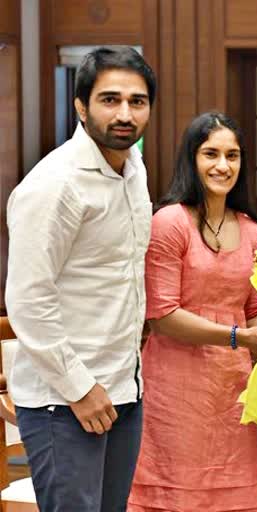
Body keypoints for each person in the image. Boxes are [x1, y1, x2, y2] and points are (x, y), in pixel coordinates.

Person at [5, 46, 155, 511]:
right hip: (65, 399)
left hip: (123, 386)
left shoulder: (133, 168)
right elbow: (29, 301)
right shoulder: (55, 184)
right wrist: (79, 389)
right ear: (80, 106)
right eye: (110, 100)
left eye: (137, 101)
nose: (125, 113)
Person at [127, 112, 257, 512]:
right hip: (175, 388)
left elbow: (256, 305)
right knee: (173, 497)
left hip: (232, 390)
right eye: (210, 154)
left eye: (232, 155)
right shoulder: (170, 222)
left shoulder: (250, 229)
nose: (222, 165)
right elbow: (162, 314)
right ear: (191, 160)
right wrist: (238, 337)